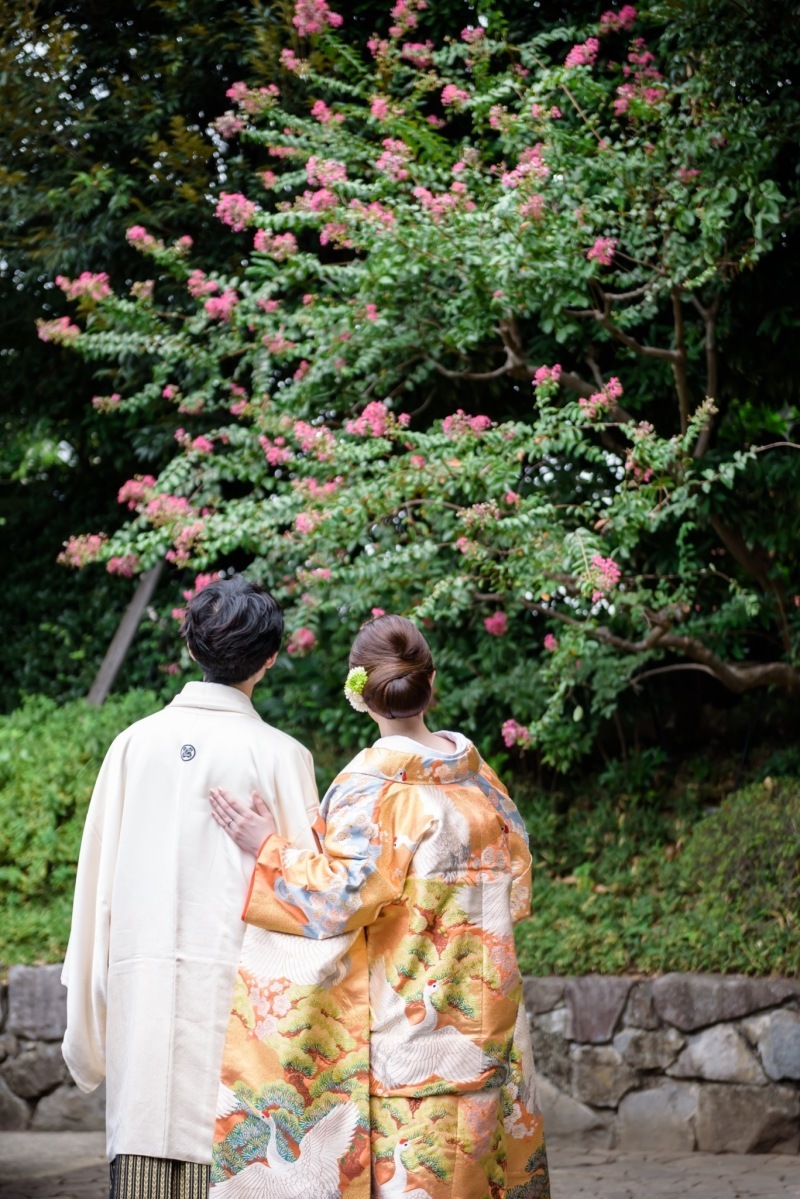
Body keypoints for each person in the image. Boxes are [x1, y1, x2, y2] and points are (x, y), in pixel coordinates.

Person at [208, 613, 550, 1199]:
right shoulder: (481, 781)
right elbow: (517, 886)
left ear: (358, 689)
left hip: (407, 1039)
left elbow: (334, 899)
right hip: (489, 1022)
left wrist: (265, 848)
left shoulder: (373, 788)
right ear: (430, 683)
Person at [61, 575, 319, 1199]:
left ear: (193, 649)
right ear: (269, 657)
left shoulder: (133, 746)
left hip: (142, 989)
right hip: (247, 1009)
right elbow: (312, 899)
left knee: (147, 1148)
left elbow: (95, 892)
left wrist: (90, 1008)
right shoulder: (283, 757)